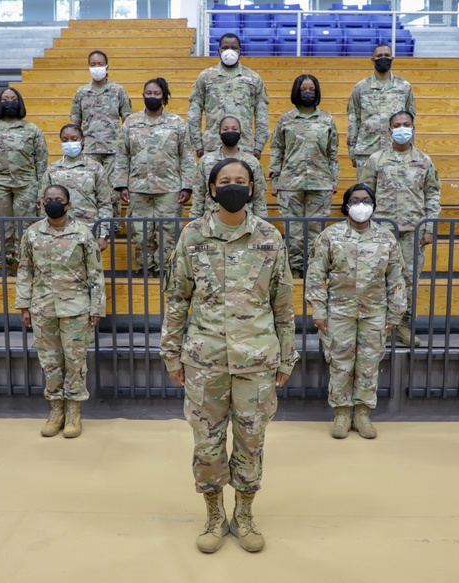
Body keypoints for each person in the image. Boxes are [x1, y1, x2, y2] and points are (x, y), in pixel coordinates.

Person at [161, 158, 298, 554]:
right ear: (212, 188)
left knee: (251, 441)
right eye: (225, 181)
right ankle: (214, 513)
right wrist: (171, 354)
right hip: (205, 361)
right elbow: (177, 299)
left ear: (253, 187)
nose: (233, 186)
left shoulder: (270, 237)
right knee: (207, 443)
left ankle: (245, 512)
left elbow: (283, 304)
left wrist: (287, 358)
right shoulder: (192, 235)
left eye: (241, 180)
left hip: (257, 360)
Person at [306, 184, 405, 439]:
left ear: (373, 204)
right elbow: (316, 274)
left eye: (366, 200)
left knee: (369, 364)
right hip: (339, 311)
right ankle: (341, 413)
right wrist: (318, 308)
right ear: (346, 205)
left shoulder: (386, 238)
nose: (361, 205)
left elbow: (396, 278)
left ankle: (362, 413)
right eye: (355, 200)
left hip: (374, 312)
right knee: (340, 363)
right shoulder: (331, 235)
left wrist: (396, 312)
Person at [17, 184, 106, 439]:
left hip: (76, 308)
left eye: (58, 199)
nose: (53, 203)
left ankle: (74, 412)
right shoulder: (32, 234)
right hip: (43, 307)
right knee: (50, 361)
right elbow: (25, 271)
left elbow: (95, 274)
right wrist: (24, 306)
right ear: (41, 203)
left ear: (68, 205)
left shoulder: (82, 233)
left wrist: (96, 307)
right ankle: (56, 410)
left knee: (75, 361)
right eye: (48, 199)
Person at [359, 111, 440, 347]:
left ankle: (402, 326)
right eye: (397, 125)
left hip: (413, 231)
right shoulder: (376, 159)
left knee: (408, 280)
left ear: (413, 128)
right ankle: (375, 327)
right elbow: (365, 194)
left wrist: (430, 226)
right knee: (376, 277)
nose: (402, 128)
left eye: (406, 125)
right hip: (381, 230)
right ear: (389, 130)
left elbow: (433, 194)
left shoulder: (424, 161)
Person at [113, 78, 195, 276]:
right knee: (141, 233)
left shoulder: (176, 123)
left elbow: (186, 156)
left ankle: (166, 271)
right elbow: (122, 155)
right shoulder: (131, 122)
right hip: (138, 187)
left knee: (168, 233)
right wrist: (121, 184)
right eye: (148, 93)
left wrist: (187, 186)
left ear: (164, 96)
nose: (152, 97)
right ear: (143, 95)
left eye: (156, 94)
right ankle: (145, 270)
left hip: (169, 188)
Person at [269, 74, 339, 278]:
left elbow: (333, 152)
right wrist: (274, 179)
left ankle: (314, 272)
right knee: (294, 233)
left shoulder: (326, 119)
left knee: (316, 231)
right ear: (296, 91)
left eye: (311, 90)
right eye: (303, 89)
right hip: (290, 183)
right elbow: (277, 150)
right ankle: (294, 272)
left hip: (320, 182)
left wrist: (333, 179)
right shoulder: (285, 119)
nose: (307, 93)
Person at [0, 87, 49, 274]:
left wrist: (42, 192)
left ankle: (26, 267)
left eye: (14, 98)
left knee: (26, 227)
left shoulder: (32, 130)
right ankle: (5, 268)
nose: (9, 102)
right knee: (2, 229)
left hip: (27, 184)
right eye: (5, 99)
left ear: (20, 102)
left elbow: (41, 163)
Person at [70, 50, 133, 222]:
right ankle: (93, 223)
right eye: (92, 64)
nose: (96, 67)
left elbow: (128, 120)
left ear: (106, 66)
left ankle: (112, 225)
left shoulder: (118, 91)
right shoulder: (81, 93)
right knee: (90, 187)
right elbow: (74, 123)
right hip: (89, 149)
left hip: (114, 149)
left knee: (112, 190)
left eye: (99, 64)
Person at [187, 32, 270, 157]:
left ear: (240, 50)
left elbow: (261, 114)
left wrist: (259, 145)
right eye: (225, 48)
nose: (229, 51)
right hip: (213, 147)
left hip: (244, 147)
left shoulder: (253, 78)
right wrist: (197, 144)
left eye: (234, 48)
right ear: (219, 50)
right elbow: (194, 112)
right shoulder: (206, 76)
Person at [39, 123, 112, 252]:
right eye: (65, 140)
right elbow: (44, 203)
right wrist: (44, 231)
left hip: (88, 230)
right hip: (58, 231)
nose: (69, 143)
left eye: (74, 139)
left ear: (82, 140)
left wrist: (103, 235)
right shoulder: (52, 169)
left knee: (90, 270)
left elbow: (105, 203)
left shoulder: (95, 168)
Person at [347, 43, 416, 169]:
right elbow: (353, 120)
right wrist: (353, 152)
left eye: (386, 55)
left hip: (397, 150)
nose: (383, 58)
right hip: (367, 151)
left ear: (392, 59)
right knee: (366, 188)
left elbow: (411, 120)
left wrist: (410, 149)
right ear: (373, 60)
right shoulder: (360, 87)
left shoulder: (404, 86)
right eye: (379, 56)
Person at [189, 115, 267, 220]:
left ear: (240, 133)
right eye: (225, 129)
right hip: (212, 220)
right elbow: (199, 195)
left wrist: (262, 225)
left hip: (245, 220)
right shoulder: (206, 161)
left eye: (234, 129)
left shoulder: (252, 162)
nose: (230, 131)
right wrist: (194, 223)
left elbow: (259, 198)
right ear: (219, 133)